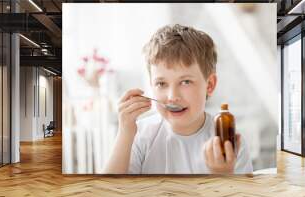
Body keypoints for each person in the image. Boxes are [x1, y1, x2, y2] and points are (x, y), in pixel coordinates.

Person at [104, 24, 252, 174]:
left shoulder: (229, 144)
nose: (172, 97)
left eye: (185, 82)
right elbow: (108, 193)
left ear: (210, 85)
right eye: (161, 83)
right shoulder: (139, 136)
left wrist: (223, 174)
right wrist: (125, 132)